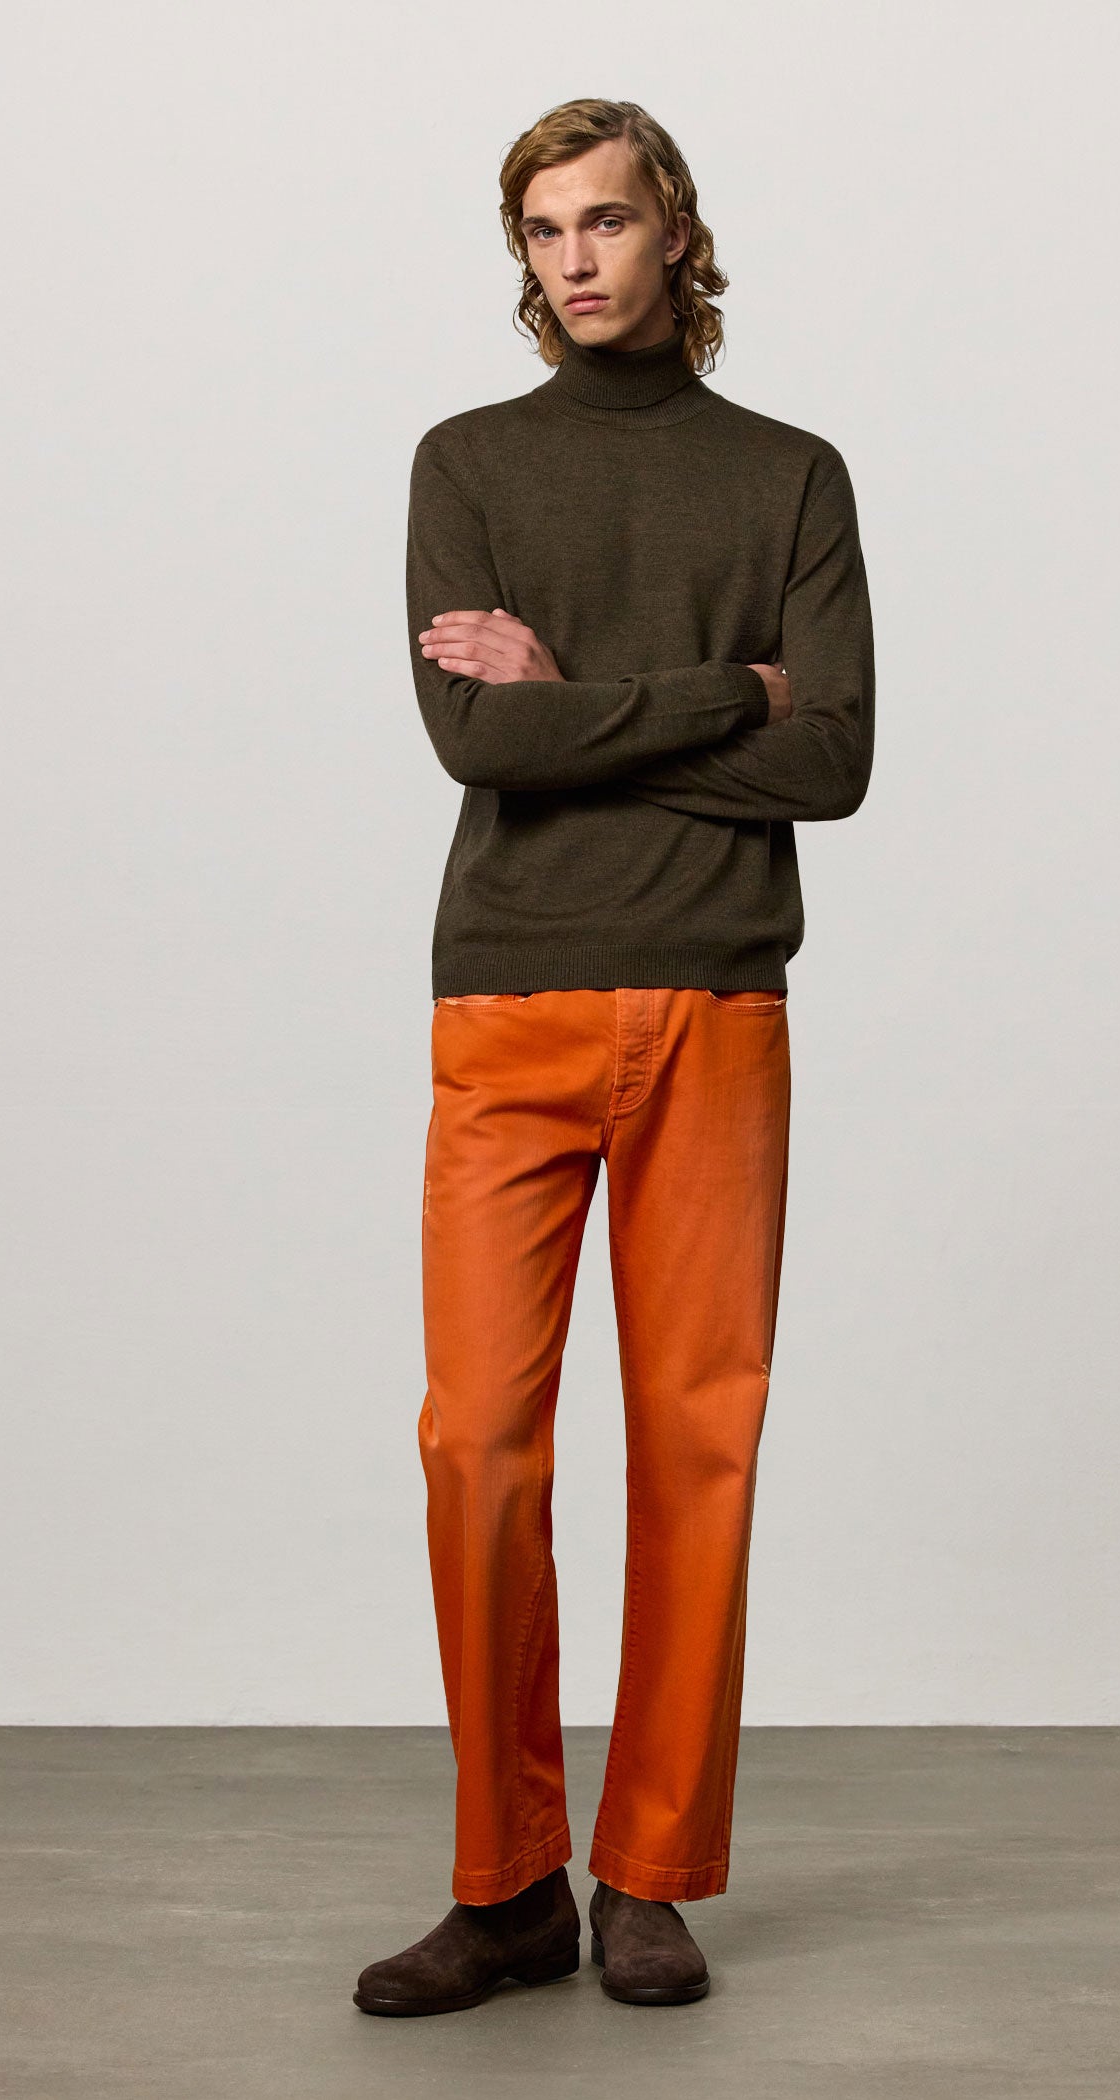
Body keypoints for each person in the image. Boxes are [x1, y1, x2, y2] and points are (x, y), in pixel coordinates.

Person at [354, 95, 875, 2019]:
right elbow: (479, 743)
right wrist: (718, 694)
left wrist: (578, 706)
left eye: (606, 220)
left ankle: (648, 1874)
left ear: (676, 234)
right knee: (480, 1445)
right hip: (510, 1001)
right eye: (542, 229)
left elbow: (836, 759)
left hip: (719, 1006)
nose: (574, 258)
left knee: (698, 1442)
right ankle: (506, 1883)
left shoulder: (792, 478)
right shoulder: (468, 463)